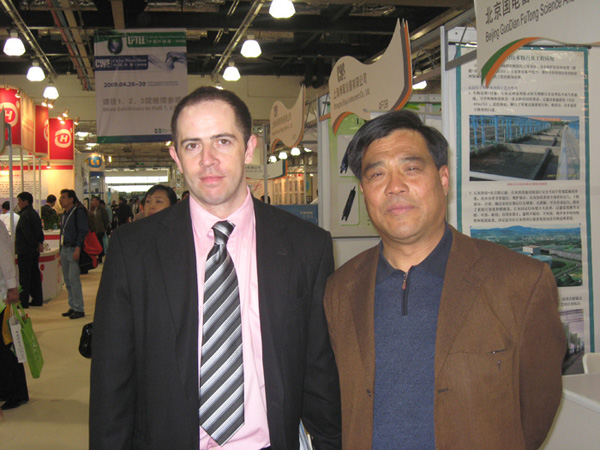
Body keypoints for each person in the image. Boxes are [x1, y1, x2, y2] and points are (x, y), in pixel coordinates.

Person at [90, 87, 341, 449]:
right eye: (192, 145)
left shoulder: (306, 246)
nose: (208, 160)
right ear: (176, 157)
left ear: (249, 148)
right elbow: (111, 380)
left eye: (223, 141)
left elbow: (319, 371)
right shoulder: (133, 250)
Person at [323, 110, 566, 449]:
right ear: (363, 190)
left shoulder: (519, 282)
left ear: (443, 178)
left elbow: (537, 406)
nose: (395, 187)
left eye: (411, 168)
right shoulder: (341, 289)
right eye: (377, 174)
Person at [0, 221, 29, 410]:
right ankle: (5, 388)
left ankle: (17, 392)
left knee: (7, 345)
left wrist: (12, 287)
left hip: (2, 297)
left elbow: (4, 257)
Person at [59, 189, 88, 319]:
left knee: (74, 279)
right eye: (61, 197)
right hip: (64, 249)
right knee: (67, 280)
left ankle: (79, 308)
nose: (61, 200)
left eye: (64, 197)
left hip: (73, 249)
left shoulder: (78, 212)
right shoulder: (64, 214)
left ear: (71, 199)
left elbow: (82, 231)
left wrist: (78, 248)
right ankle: (72, 305)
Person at [15, 192, 44, 308]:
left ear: (25, 201)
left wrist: (35, 244)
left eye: (19, 201)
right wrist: (39, 244)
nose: (18, 204)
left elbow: (27, 233)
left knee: (25, 277)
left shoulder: (24, 215)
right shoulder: (34, 214)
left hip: (25, 250)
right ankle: (37, 299)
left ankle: (24, 301)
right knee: (34, 276)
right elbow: (39, 231)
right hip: (33, 251)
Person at [91, 197, 109, 263]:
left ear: (98, 201)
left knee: (100, 243)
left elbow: (106, 219)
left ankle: (100, 257)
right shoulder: (94, 209)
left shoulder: (102, 210)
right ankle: (98, 256)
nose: (93, 202)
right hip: (95, 230)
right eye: (92, 201)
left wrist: (105, 228)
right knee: (96, 243)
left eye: (94, 201)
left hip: (100, 229)